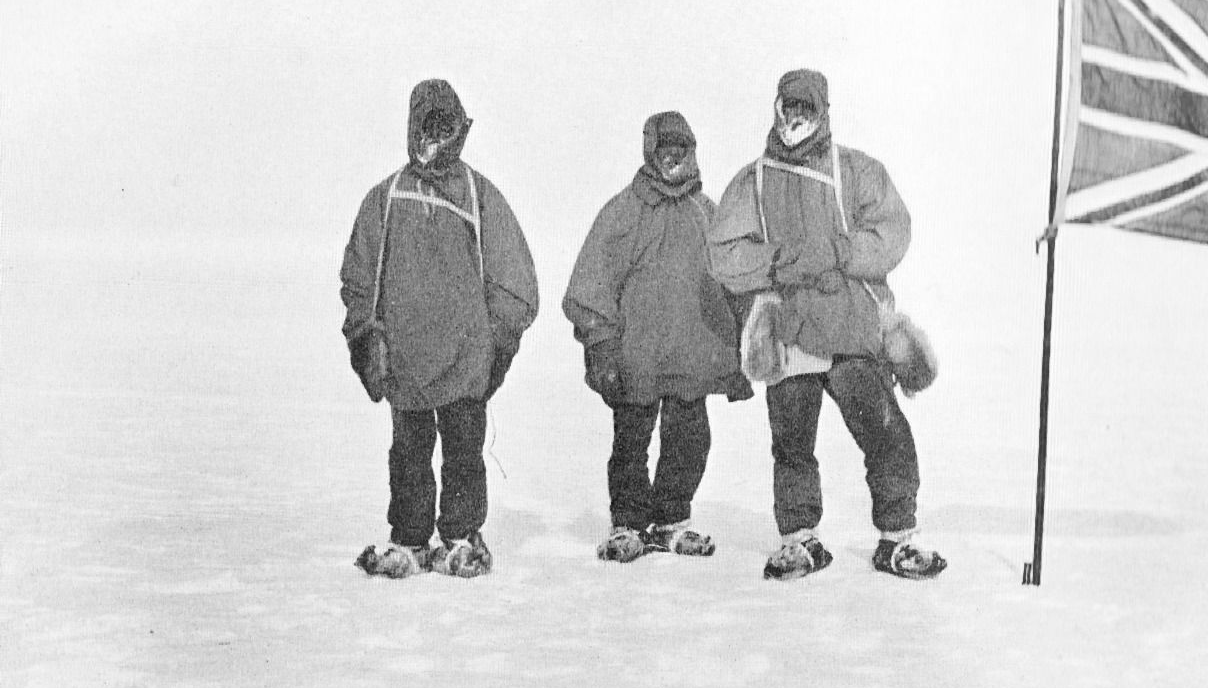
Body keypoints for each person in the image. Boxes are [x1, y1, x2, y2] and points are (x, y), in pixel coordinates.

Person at [707, 68, 945, 581]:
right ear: (776, 108)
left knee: (886, 434)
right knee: (792, 443)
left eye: (806, 108)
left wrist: (841, 251)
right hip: (790, 331)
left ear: (823, 112)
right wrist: (776, 261)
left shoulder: (857, 171)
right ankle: (799, 540)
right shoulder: (754, 180)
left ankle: (898, 539)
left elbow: (893, 232)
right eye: (788, 106)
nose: (796, 116)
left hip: (851, 327)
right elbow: (723, 253)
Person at [340, 78, 538, 579]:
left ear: (458, 127)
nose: (436, 134)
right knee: (408, 454)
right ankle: (408, 539)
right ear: (413, 127)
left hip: (466, 360)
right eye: (427, 123)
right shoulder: (385, 198)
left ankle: (460, 536)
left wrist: (499, 344)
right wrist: (365, 336)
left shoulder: (478, 195)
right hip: (405, 360)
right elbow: (360, 272)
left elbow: (514, 279)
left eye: (444, 123)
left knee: (464, 455)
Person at [563, 111, 752, 563]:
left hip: (693, 355)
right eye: (664, 149)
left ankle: (672, 517)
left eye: (681, 150)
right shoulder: (623, 212)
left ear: (692, 153)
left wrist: (742, 349)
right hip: (637, 358)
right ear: (649, 151)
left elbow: (736, 284)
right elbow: (592, 280)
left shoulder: (708, 215)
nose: (673, 158)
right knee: (631, 441)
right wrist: (601, 345)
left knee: (689, 440)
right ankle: (627, 523)